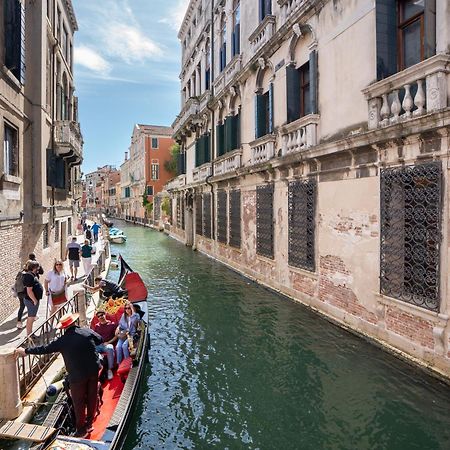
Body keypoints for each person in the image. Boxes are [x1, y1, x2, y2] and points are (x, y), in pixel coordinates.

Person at [14, 313, 103, 438]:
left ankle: (81, 431)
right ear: (74, 322)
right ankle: (89, 424)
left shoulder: (62, 341)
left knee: (79, 402)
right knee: (92, 397)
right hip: (93, 370)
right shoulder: (86, 332)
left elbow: (44, 349)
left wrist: (26, 351)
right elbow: (100, 339)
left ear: (63, 328)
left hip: (77, 376)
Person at [94, 310, 117, 380]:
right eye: (98, 316)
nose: (100, 317)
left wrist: (109, 342)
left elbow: (116, 336)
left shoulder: (112, 324)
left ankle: (110, 369)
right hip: (98, 345)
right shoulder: (96, 326)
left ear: (105, 315)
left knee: (110, 348)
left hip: (107, 344)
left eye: (102, 315)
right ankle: (97, 370)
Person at [23, 260, 44, 336]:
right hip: (31, 301)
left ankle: (30, 334)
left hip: (33, 300)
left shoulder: (32, 274)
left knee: (32, 317)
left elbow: (42, 271)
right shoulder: (29, 276)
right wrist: (34, 300)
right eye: (38, 267)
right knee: (31, 318)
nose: (39, 268)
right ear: (34, 267)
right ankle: (29, 335)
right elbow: (29, 290)